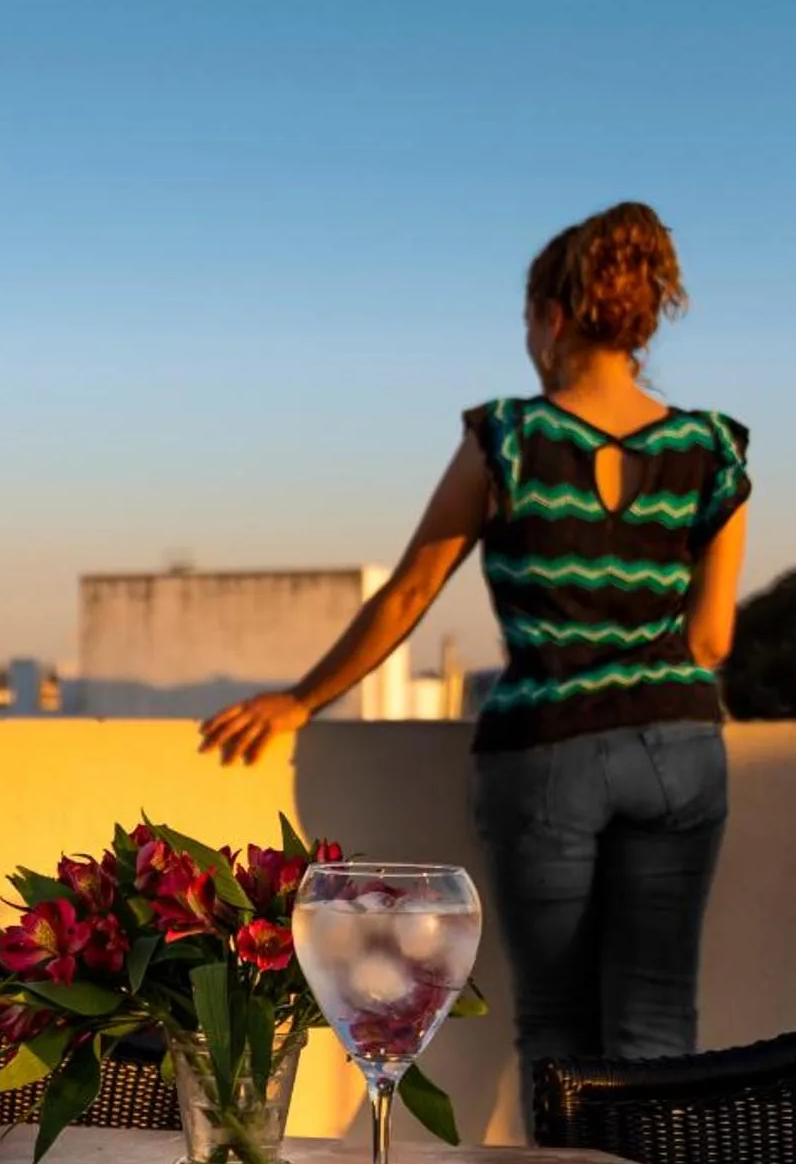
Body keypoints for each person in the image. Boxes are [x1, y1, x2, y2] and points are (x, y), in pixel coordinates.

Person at [198, 202, 751, 1062]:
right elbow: (711, 641)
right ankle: (656, 1161)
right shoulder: (712, 448)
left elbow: (412, 589)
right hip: (678, 748)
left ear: (553, 318)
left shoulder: (511, 438)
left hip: (547, 749)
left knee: (556, 1026)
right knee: (658, 1019)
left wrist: (301, 700)